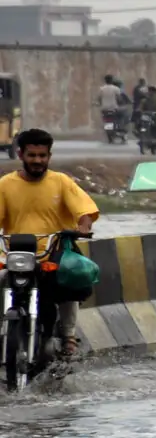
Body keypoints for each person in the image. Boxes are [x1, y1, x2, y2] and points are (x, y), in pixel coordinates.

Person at [0, 129, 100, 358]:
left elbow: (84, 210)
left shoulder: (61, 182)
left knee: (70, 278)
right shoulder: (5, 184)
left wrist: (84, 226)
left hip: (54, 253)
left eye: (42, 156)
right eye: (32, 155)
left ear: (49, 156)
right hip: (15, 254)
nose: (37, 161)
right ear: (20, 154)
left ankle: (68, 337)